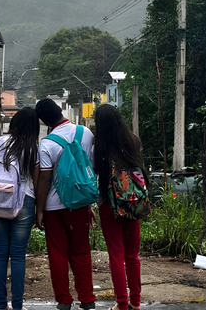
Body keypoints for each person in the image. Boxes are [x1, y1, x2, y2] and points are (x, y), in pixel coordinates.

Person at [35, 98, 96, 310]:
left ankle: (63, 300)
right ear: (60, 110)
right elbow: (87, 170)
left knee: (57, 253)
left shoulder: (47, 143)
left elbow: (44, 179)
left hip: (53, 207)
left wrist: (39, 210)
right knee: (81, 251)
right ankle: (87, 299)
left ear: (44, 122)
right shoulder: (86, 134)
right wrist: (88, 205)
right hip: (79, 203)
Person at [94, 104, 150, 310]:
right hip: (134, 201)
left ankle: (121, 304)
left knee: (116, 255)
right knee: (132, 256)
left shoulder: (100, 144)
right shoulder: (134, 140)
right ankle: (135, 302)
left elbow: (95, 173)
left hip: (109, 204)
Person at [0, 107, 40, 310]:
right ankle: (17, 305)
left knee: (0, 253)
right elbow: (36, 180)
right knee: (18, 255)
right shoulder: (32, 146)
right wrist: (39, 209)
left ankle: (1, 305)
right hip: (24, 201)